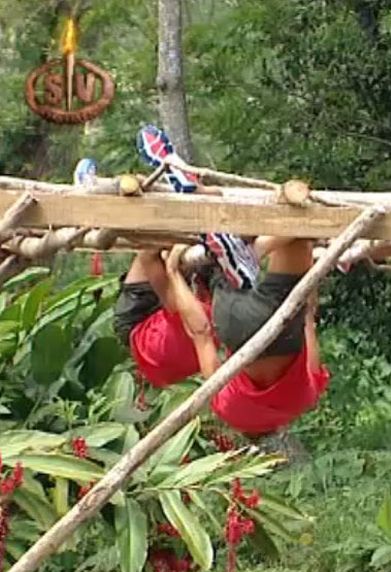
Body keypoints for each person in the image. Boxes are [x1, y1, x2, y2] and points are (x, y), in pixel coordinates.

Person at [113, 127, 260, 389]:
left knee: (155, 244)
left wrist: (174, 257)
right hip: (183, 342)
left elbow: (149, 256)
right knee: (217, 224)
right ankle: (194, 194)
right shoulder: (226, 325)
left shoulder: (191, 321)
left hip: (138, 324)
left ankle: (186, 193)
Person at [164, 232, 330, 437]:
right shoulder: (226, 410)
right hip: (234, 322)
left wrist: (307, 268)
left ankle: (251, 253)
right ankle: (237, 258)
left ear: (279, 428)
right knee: (218, 264)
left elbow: (308, 320)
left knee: (298, 234)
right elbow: (202, 334)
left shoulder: (304, 401)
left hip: (279, 321)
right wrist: (172, 273)